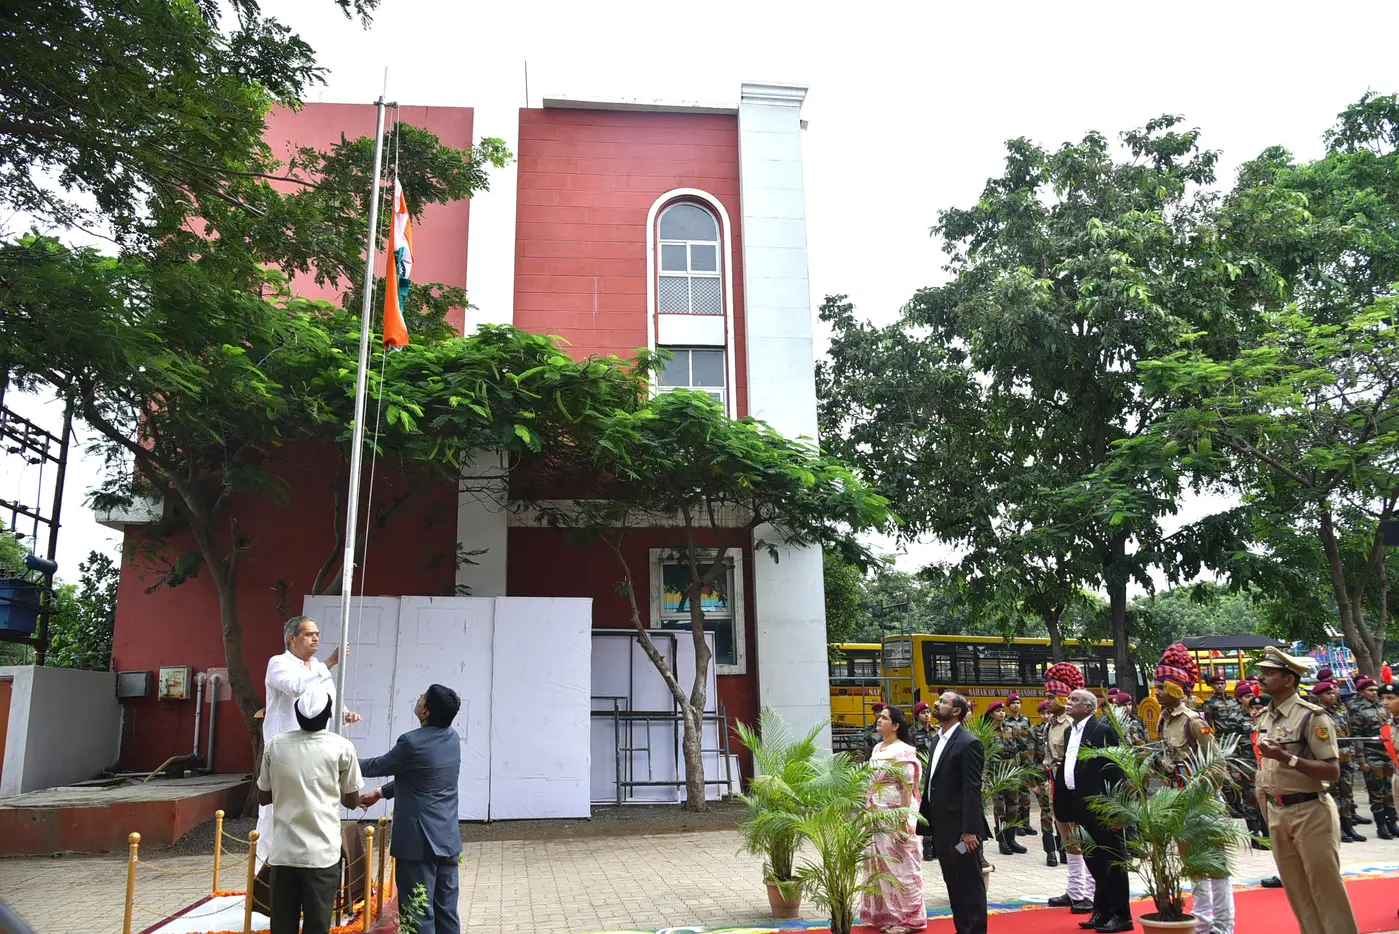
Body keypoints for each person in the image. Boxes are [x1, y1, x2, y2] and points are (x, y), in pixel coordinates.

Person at [1255, 646, 1358, 934]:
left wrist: (1288, 758)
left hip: (1311, 811)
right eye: (1262, 671)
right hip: (1279, 812)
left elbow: (1332, 771)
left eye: (1269, 673)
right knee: (1297, 890)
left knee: (1326, 888)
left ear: (1289, 680)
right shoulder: (1264, 716)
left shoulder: (1311, 717)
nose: (1261, 677)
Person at [256, 689, 364, 934]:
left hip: (283, 854)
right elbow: (351, 800)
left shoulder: (275, 745)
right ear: (328, 716)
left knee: (282, 926)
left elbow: (263, 797)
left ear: (297, 713)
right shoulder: (341, 747)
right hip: (321, 855)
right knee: (317, 925)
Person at [358, 684, 463, 934]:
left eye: (423, 697)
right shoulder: (452, 738)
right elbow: (421, 775)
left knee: (417, 910)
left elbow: (376, 766)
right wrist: (381, 793)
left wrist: (347, 757)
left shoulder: (411, 742)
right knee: (446, 909)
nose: (419, 698)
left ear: (425, 712)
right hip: (447, 839)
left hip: (419, 844)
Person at [258, 615, 360, 867]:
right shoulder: (279, 663)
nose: (316, 639)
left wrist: (345, 714)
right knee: (276, 813)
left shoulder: (317, 666)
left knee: (315, 808)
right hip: (285, 749)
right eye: (309, 634)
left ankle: (312, 865)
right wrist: (329, 662)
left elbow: (329, 701)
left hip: (316, 749)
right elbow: (294, 687)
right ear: (292, 639)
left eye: (316, 634)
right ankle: (264, 874)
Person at [1154, 643, 1233, 934]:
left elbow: (1217, 765)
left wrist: (1200, 794)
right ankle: (1202, 924)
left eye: (1161, 687)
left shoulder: (1195, 722)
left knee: (1216, 865)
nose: (1156, 692)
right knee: (1194, 865)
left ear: (1177, 688)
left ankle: (1224, 926)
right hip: (1180, 801)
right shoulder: (1165, 720)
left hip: (1204, 802)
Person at [1053, 689, 1132, 934]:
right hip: (1079, 804)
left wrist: (1117, 809)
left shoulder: (1103, 730)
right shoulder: (1069, 731)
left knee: (1112, 860)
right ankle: (1102, 911)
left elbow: (1116, 770)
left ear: (1089, 707)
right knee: (1094, 861)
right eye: (1069, 699)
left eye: (1074, 700)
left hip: (1102, 806)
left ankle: (1121, 914)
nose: (1069, 702)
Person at [921, 691, 990, 934]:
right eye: (937, 701)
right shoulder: (936, 739)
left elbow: (971, 790)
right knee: (953, 882)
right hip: (941, 827)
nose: (936, 704)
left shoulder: (968, 742)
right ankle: (962, 929)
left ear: (957, 711)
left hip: (962, 832)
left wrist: (969, 830)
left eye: (942, 702)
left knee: (969, 883)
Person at [860, 705, 927, 934]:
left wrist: (901, 824)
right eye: (880, 717)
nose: (879, 720)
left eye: (885, 718)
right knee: (881, 869)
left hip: (896, 816)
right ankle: (888, 916)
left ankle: (909, 920)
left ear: (896, 725)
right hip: (876, 817)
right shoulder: (878, 748)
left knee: (902, 869)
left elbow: (907, 788)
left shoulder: (905, 751)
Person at [1042, 662, 1095, 914]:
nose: (1047, 700)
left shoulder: (1072, 725)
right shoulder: (1051, 723)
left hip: (1073, 786)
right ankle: (1075, 891)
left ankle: (1090, 893)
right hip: (1055, 784)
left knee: (1083, 838)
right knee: (1067, 839)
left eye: (1052, 696)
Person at [1313, 681, 1365, 842]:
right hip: (1330, 758)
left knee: (1347, 793)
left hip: (1346, 756)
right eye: (1328, 693)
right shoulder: (1317, 714)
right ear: (1319, 697)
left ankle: (1349, 827)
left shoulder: (1342, 710)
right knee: (1333, 795)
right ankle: (1337, 828)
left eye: (1333, 692)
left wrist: (1355, 754)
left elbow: (1351, 732)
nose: (1332, 695)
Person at [1349, 677, 1398, 837]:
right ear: (1362, 692)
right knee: (1376, 792)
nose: (1375, 694)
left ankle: (1392, 824)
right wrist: (1362, 760)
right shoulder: (1358, 710)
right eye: (1371, 690)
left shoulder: (1384, 709)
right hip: (1372, 754)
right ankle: (1381, 826)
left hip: (1389, 754)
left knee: (1389, 791)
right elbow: (1358, 737)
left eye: (1376, 690)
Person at [983, 701, 1026, 855]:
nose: (1001, 713)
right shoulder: (987, 731)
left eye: (1002, 710)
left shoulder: (1011, 728)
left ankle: (1011, 839)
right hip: (997, 774)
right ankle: (1002, 841)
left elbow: (1021, 746)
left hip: (1012, 772)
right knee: (1000, 808)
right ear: (991, 714)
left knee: (1013, 807)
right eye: (997, 711)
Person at [1031, 700, 1060, 866]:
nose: (1047, 716)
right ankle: (1050, 853)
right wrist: (1033, 782)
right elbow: (1030, 756)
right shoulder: (1035, 731)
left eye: (1049, 713)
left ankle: (1063, 850)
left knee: (1061, 814)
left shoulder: (1060, 728)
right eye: (1043, 713)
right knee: (1047, 814)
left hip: (1059, 778)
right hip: (1043, 778)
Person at [911, 700, 939, 861]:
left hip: (936, 775)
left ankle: (936, 844)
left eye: (928, 712)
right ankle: (926, 845)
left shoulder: (938, 731)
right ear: (917, 716)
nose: (927, 715)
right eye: (923, 712)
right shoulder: (912, 733)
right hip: (921, 777)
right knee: (924, 810)